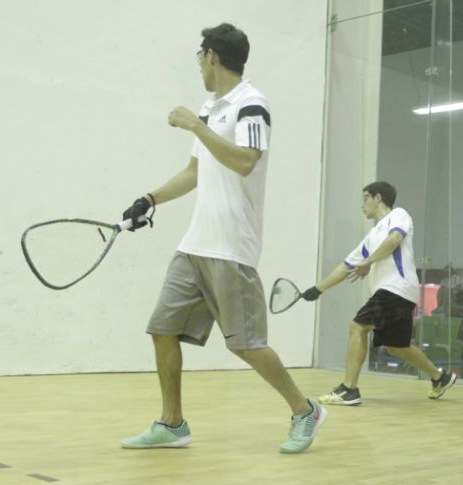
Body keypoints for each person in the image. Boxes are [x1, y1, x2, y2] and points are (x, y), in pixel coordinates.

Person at [119, 23, 325, 454]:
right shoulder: (211, 107)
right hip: (194, 246)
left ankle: (305, 410)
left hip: (232, 248)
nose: (198, 64)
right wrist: (148, 199)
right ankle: (172, 423)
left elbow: (246, 161)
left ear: (212, 55)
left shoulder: (252, 104)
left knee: (246, 345)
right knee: (162, 329)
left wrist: (196, 125)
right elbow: (196, 173)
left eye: (199, 56)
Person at [301, 181, 457, 405]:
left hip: (395, 288)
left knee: (357, 327)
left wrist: (367, 263)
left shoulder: (399, 215)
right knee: (397, 347)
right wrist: (318, 289)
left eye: (365, 198)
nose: (362, 204)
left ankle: (349, 389)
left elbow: (394, 240)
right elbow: (345, 267)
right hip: (401, 293)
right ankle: (440, 377)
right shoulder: (371, 237)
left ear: (378, 198)